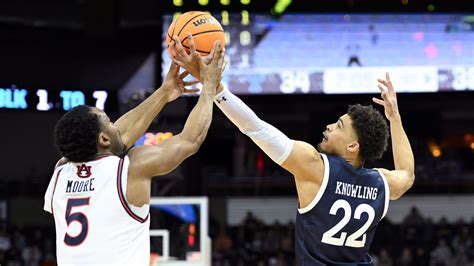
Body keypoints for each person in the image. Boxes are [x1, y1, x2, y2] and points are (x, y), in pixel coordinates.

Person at [172, 35, 415, 265]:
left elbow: (255, 128)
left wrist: (214, 87)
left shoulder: (317, 168)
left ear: (353, 146)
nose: (329, 126)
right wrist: (395, 119)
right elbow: (407, 173)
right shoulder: (381, 183)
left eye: (339, 126)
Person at [43, 41, 226, 265]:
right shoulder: (130, 169)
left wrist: (165, 92)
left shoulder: (60, 173)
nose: (115, 125)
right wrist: (209, 86)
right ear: (102, 139)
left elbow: (120, 136)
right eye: (109, 122)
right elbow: (190, 140)